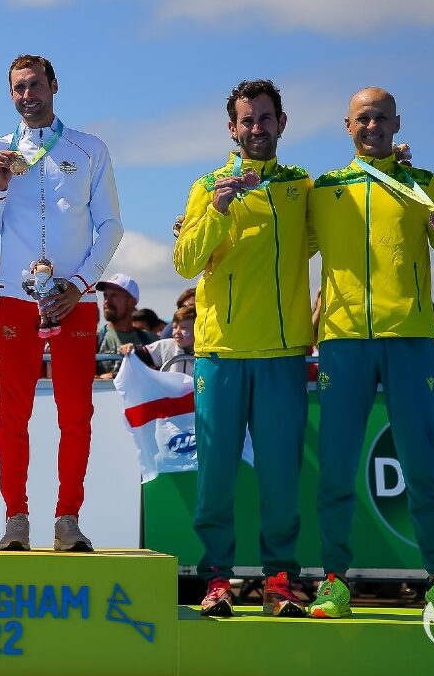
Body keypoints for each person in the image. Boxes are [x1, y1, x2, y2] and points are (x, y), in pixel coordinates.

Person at [307, 87, 434, 622]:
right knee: (336, 469)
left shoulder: (423, 184)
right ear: (345, 126)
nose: (371, 125)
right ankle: (333, 580)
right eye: (361, 118)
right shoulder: (324, 189)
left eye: (380, 117)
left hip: (410, 340)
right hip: (343, 342)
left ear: (396, 123)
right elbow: (281, 240)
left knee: (423, 463)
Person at [0, 54, 122, 552]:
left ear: (54, 86)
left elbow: (111, 227)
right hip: (16, 299)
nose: (27, 95)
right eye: (18, 88)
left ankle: (68, 518)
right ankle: (16, 517)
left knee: (75, 414)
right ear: (10, 94)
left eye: (35, 85)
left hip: (73, 300)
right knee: (12, 414)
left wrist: (79, 284)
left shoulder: (89, 148)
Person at [174, 79, 312, 618]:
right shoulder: (208, 184)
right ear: (232, 129)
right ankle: (217, 581)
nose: (256, 127)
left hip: (281, 356)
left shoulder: (303, 186)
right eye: (246, 120)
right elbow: (185, 261)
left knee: (280, 480)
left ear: (282, 122)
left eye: (265, 118)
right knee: (215, 482)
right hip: (221, 355)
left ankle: (280, 582)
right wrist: (215, 211)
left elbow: (333, 234)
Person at [95, 274, 156, 378]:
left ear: (131, 302)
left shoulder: (151, 341)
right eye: (105, 295)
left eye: (114, 295)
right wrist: (100, 378)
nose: (106, 302)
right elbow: (80, 377)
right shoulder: (95, 339)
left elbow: (160, 375)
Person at [119, 305, 196, 375]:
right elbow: (140, 354)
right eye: (175, 327)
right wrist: (130, 348)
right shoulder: (165, 346)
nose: (177, 332)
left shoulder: (206, 353)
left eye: (183, 328)